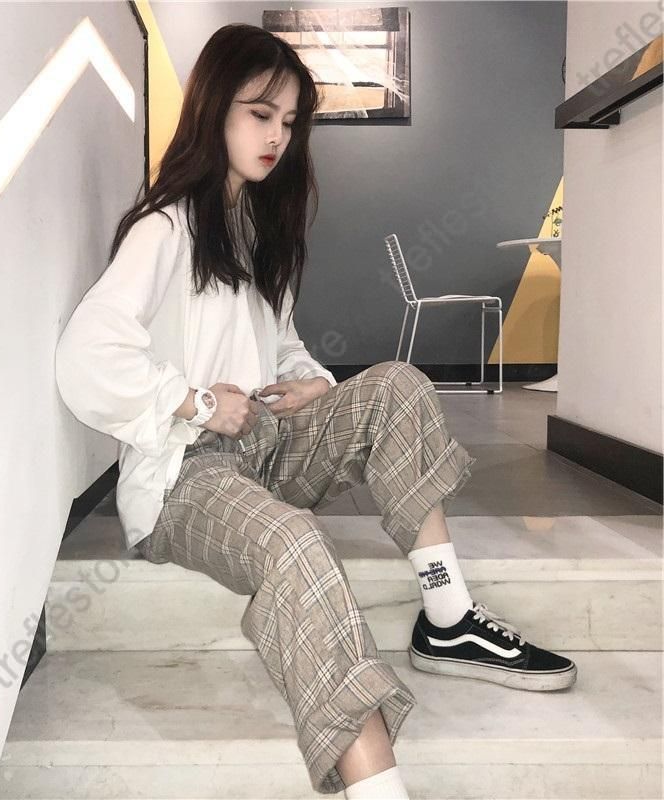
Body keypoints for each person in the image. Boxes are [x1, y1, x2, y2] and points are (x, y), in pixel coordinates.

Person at [54, 23, 577, 800]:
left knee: (398, 383)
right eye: (259, 114)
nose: (277, 137)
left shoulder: (252, 228)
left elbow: (284, 346)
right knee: (297, 542)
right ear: (213, 110)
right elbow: (86, 354)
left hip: (266, 444)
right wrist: (197, 402)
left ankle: (447, 615)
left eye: (290, 122)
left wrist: (314, 384)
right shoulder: (164, 227)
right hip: (185, 478)